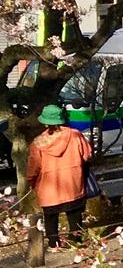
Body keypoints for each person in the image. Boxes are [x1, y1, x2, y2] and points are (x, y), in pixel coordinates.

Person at [26, 105, 92, 246]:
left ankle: (54, 243)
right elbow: (86, 155)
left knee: (50, 217)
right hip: (72, 184)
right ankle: (76, 242)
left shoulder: (38, 143)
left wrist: (31, 181)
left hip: (48, 188)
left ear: (44, 122)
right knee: (74, 215)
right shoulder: (75, 135)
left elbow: (33, 168)